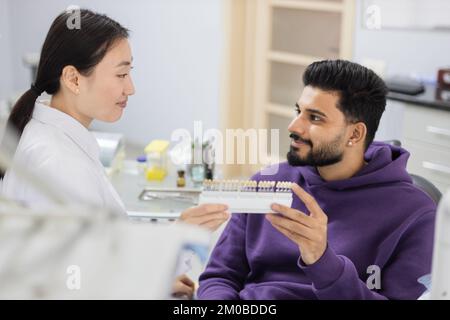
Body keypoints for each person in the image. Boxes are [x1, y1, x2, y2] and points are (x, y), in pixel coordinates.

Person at [0, 9, 228, 298]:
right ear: (73, 78)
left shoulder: (47, 132)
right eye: (121, 74)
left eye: (129, 73)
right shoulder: (59, 163)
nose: (130, 88)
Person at [197, 60, 436, 300]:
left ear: (355, 134)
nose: (294, 126)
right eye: (298, 111)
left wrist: (323, 261)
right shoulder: (265, 183)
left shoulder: (416, 214)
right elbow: (220, 276)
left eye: (315, 118)